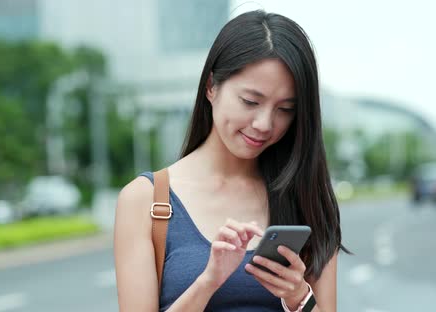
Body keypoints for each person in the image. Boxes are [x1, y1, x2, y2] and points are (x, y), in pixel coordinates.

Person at [114, 10, 347, 312]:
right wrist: (208, 281)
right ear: (211, 86)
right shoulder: (146, 199)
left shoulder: (307, 196)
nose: (265, 123)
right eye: (250, 102)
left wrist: (299, 296)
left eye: (285, 109)